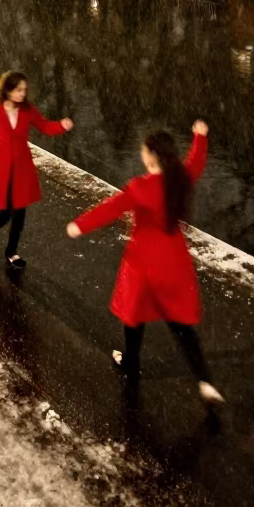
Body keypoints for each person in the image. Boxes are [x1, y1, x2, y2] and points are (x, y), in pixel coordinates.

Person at [66, 121, 223, 406]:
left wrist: (80, 225)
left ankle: (131, 364)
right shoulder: (180, 179)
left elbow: (111, 208)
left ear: (151, 156)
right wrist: (200, 138)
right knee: (181, 326)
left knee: (134, 317)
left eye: (144, 150)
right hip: (174, 262)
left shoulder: (141, 187)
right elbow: (196, 163)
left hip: (144, 264)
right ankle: (204, 381)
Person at [0, 71, 73, 270]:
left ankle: (11, 251)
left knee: (19, 212)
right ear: (8, 90)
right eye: (18, 90)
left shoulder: (28, 110)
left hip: (22, 168)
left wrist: (61, 126)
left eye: (24, 90)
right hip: (1, 168)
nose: (22, 94)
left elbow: (45, 126)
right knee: (6, 213)